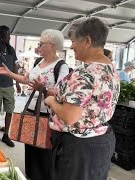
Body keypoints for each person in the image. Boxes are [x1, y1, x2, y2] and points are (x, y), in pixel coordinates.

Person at [44, 17, 120, 180]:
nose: (71, 46)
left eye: (73, 41)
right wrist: (58, 93)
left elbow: (70, 116)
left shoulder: (85, 72)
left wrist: (51, 101)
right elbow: (91, 101)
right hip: (101, 140)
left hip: (78, 148)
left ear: (87, 41)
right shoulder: (109, 68)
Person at [0, 29, 70, 180]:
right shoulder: (38, 62)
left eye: (41, 44)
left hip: (47, 115)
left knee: (44, 150)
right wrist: (9, 73)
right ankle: (31, 175)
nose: (38, 46)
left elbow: (62, 94)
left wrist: (44, 90)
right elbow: (26, 80)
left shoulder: (61, 66)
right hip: (30, 111)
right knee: (30, 146)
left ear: (52, 45)